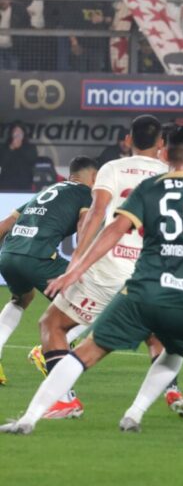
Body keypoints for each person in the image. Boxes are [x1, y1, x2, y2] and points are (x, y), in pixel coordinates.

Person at [0, 126, 183, 436]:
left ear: (167, 152)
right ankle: (139, 410)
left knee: (78, 344)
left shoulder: (151, 187)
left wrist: (75, 268)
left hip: (143, 283)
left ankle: (33, 416)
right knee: (165, 345)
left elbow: (111, 227)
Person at [33, 115, 183, 419]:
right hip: (148, 274)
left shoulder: (112, 168)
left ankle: (65, 398)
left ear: (128, 140)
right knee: (155, 336)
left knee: (52, 324)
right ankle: (172, 390)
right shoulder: (170, 174)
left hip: (107, 270)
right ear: (161, 143)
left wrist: (77, 263)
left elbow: (95, 215)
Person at [0, 157, 97, 386]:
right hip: (38, 258)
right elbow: (84, 225)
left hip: (9, 255)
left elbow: (4, 225)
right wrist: (81, 260)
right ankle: (47, 351)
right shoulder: (86, 193)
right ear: (93, 177)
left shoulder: (49, 190)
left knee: (22, 298)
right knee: (95, 300)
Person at [69, 0, 112, 73]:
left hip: (99, 45)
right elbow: (68, 23)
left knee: (96, 74)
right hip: (80, 44)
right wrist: (74, 43)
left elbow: (111, 19)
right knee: (79, 74)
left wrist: (102, 19)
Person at [0, 123, 37, 192]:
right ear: (11, 133)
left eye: (20, 132)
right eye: (15, 131)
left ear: (24, 134)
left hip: (24, 183)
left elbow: (32, 160)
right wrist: (11, 148)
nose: (17, 134)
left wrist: (20, 147)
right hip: (6, 183)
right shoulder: (4, 147)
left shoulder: (31, 147)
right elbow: (2, 163)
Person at [0, 0, 28, 70]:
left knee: (13, 73)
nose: (2, 0)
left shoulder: (19, 10)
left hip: (13, 49)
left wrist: (20, 42)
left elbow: (25, 26)